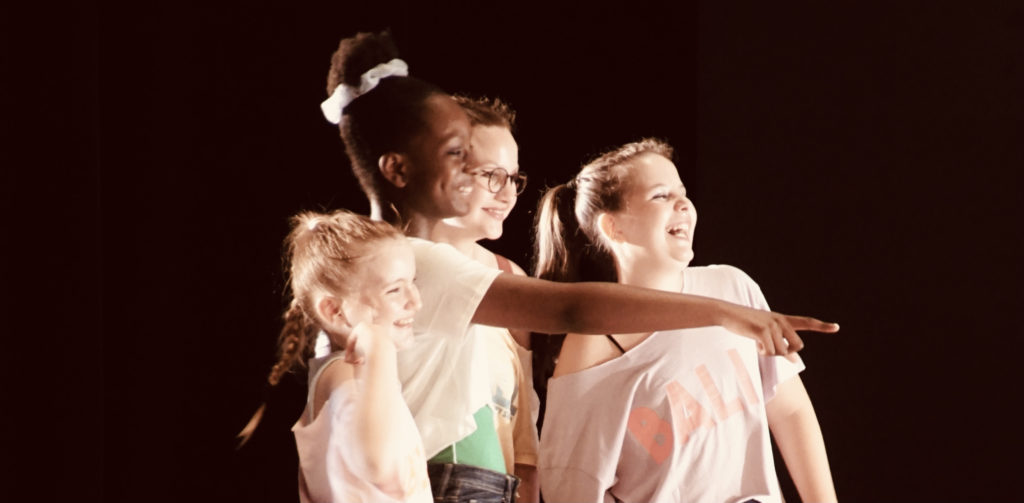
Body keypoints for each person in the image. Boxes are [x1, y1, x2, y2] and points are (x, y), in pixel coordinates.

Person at [321, 30, 838, 503]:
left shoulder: (489, 271)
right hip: (438, 481)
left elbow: (520, 426)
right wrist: (722, 313)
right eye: (462, 157)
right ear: (399, 168)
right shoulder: (407, 263)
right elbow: (571, 309)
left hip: (483, 484)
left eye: (510, 176)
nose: (496, 187)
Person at [533, 139, 837, 503]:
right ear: (613, 227)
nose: (683, 205)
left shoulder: (731, 287)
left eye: (683, 193)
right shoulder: (592, 344)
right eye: (661, 195)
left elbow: (790, 409)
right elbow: (568, 486)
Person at [240, 209, 432, 502]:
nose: (415, 301)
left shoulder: (366, 377)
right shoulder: (341, 372)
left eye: (412, 282)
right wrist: (380, 349)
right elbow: (375, 463)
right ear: (334, 310)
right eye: (394, 290)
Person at [430, 95, 540, 502]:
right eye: (492, 175)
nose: (507, 194)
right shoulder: (394, 270)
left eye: (513, 178)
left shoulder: (510, 277)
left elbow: (523, 438)